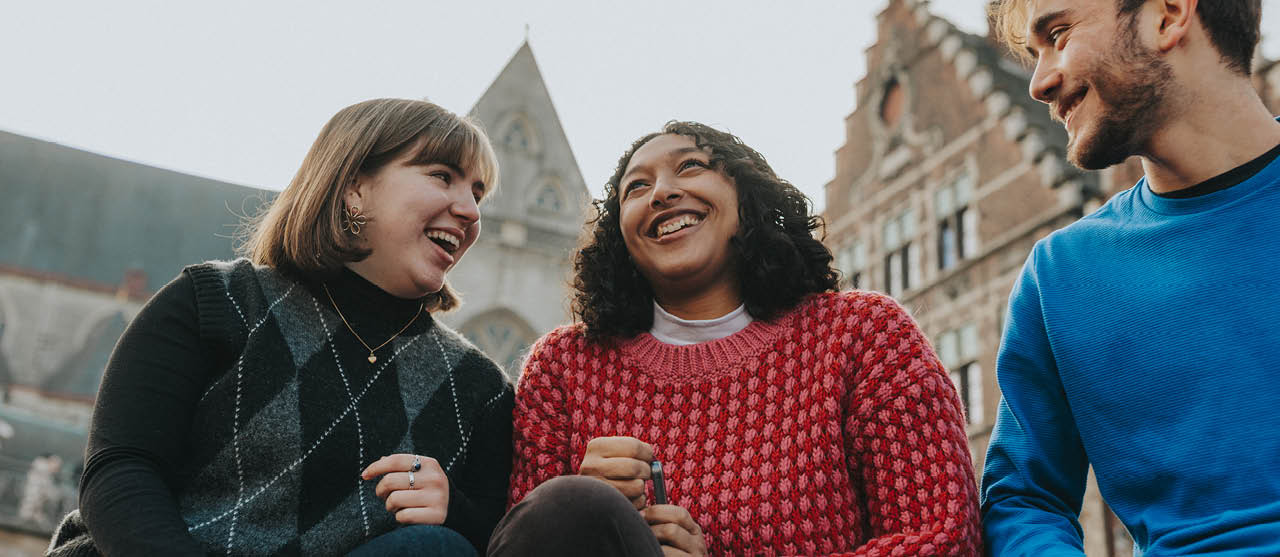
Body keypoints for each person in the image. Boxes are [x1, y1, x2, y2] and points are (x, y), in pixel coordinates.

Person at [488, 122, 982, 556]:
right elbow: (517, 541)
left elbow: (944, 537)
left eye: (691, 166)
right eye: (636, 187)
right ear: (619, 234)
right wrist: (582, 514)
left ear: (748, 198)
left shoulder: (863, 334)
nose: (662, 192)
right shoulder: (563, 366)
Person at [49, 98, 514, 556]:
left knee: (436, 548)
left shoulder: (481, 391)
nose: (471, 212)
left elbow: (501, 540)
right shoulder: (218, 301)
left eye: (477, 194)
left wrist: (456, 512)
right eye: (442, 176)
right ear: (355, 187)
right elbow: (121, 472)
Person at [981, 0, 1280, 554]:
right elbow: (1022, 501)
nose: (1039, 84)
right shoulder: (1061, 276)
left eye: (1059, 35)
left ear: (1168, 14)